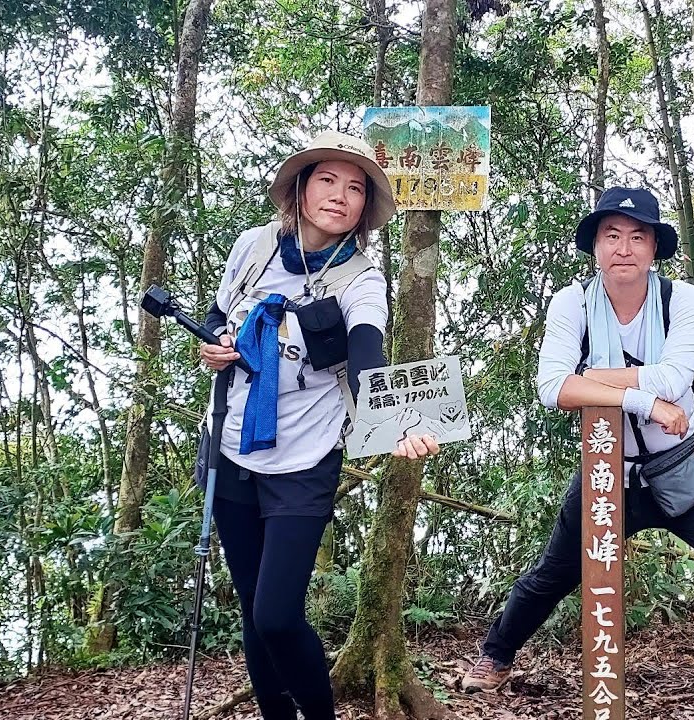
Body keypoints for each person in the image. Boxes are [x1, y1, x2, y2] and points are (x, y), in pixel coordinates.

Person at [458, 187, 694, 720]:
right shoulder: (572, 303)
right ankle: (496, 655)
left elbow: (673, 377)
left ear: (655, 248)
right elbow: (551, 388)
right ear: (594, 245)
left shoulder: (683, 300)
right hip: (606, 475)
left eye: (638, 237)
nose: (624, 248)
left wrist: (589, 379)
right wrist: (641, 399)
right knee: (552, 574)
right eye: (612, 235)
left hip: (678, 469)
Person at [196, 130, 438, 720]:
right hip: (228, 449)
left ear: (364, 209)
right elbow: (216, 317)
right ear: (299, 190)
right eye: (327, 180)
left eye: (355, 188)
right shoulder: (252, 248)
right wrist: (214, 347)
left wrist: (398, 421)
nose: (341, 195)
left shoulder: (361, 277)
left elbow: (365, 352)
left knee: (277, 614)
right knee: (255, 609)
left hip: (303, 462)